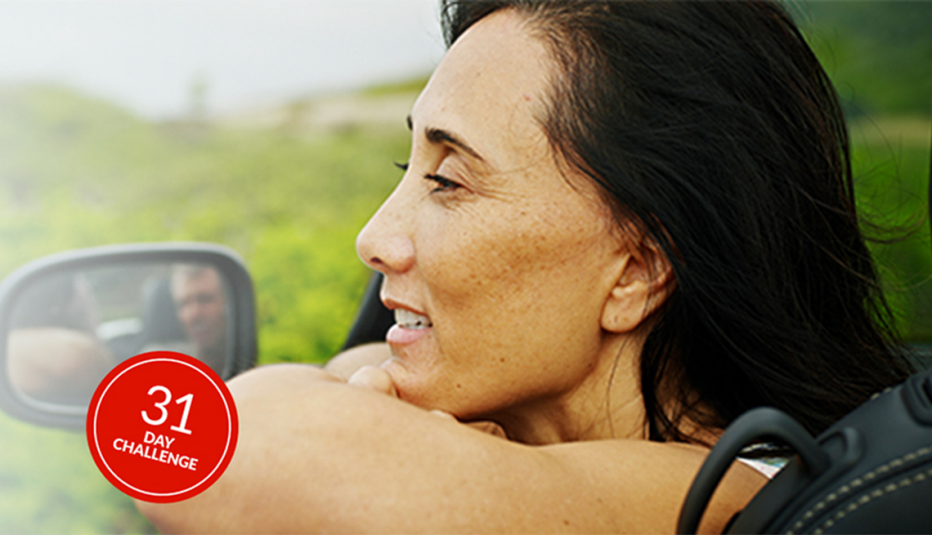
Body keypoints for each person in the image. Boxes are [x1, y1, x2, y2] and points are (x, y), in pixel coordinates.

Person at [136, 0, 915, 532]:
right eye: (405, 168)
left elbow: (209, 449)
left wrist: (363, 390)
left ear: (636, 272)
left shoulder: (744, 493)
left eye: (448, 179)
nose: (374, 237)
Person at [169, 264, 228, 373]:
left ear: (228, 304)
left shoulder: (241, 355)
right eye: (184, 303)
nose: (194, 314)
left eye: (205, 299)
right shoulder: (164, 363)